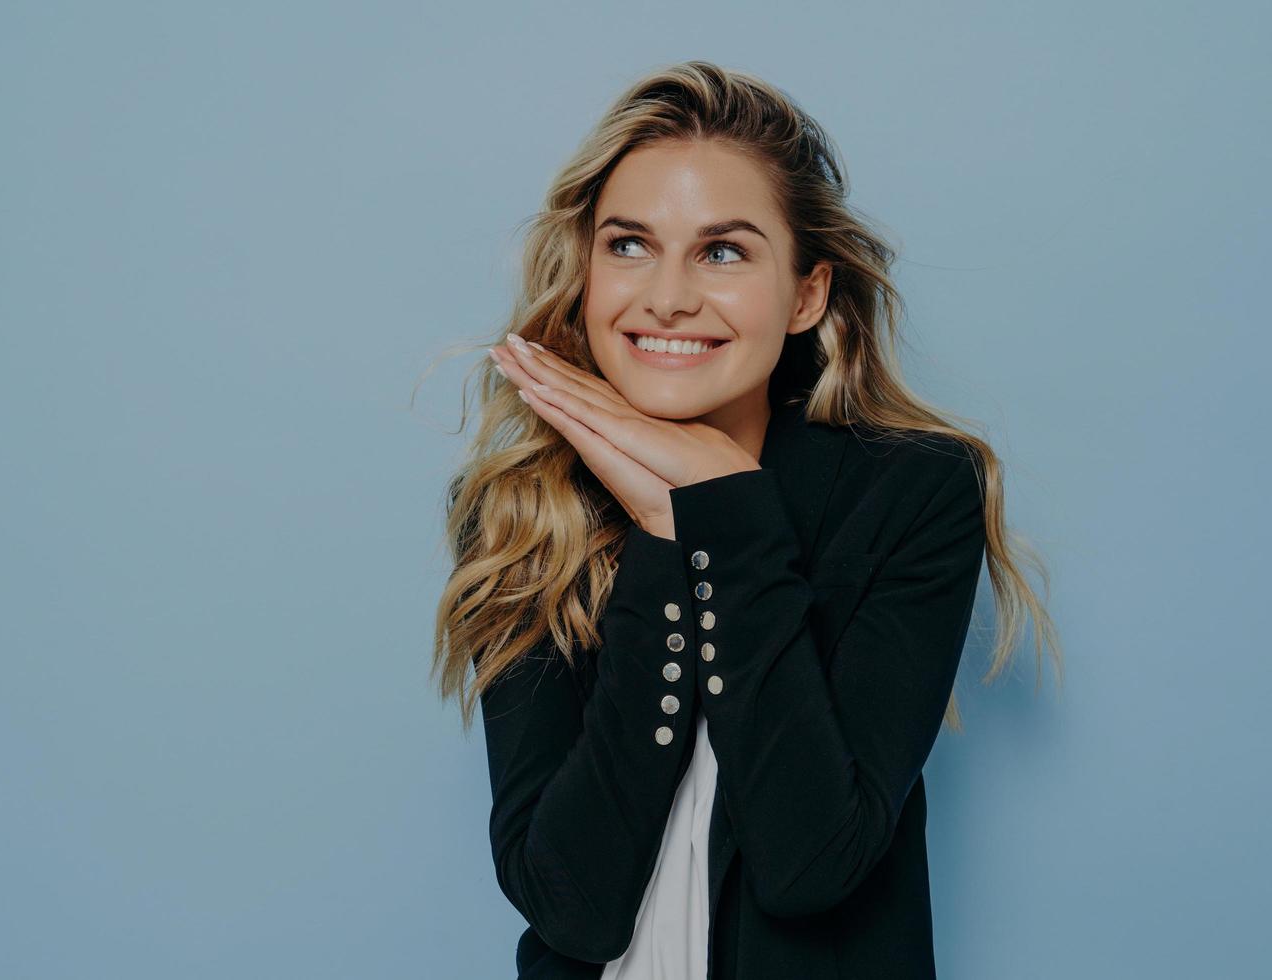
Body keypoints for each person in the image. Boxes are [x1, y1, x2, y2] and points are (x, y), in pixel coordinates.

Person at [431, 60, 1062, 980]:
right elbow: (572, 906)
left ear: (807, 295)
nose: (668, 296)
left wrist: (727, 509)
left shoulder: (915, 495)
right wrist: (662, 533)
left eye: (723, 251)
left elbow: (814, 861)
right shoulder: (522, 509)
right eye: (629, 244)